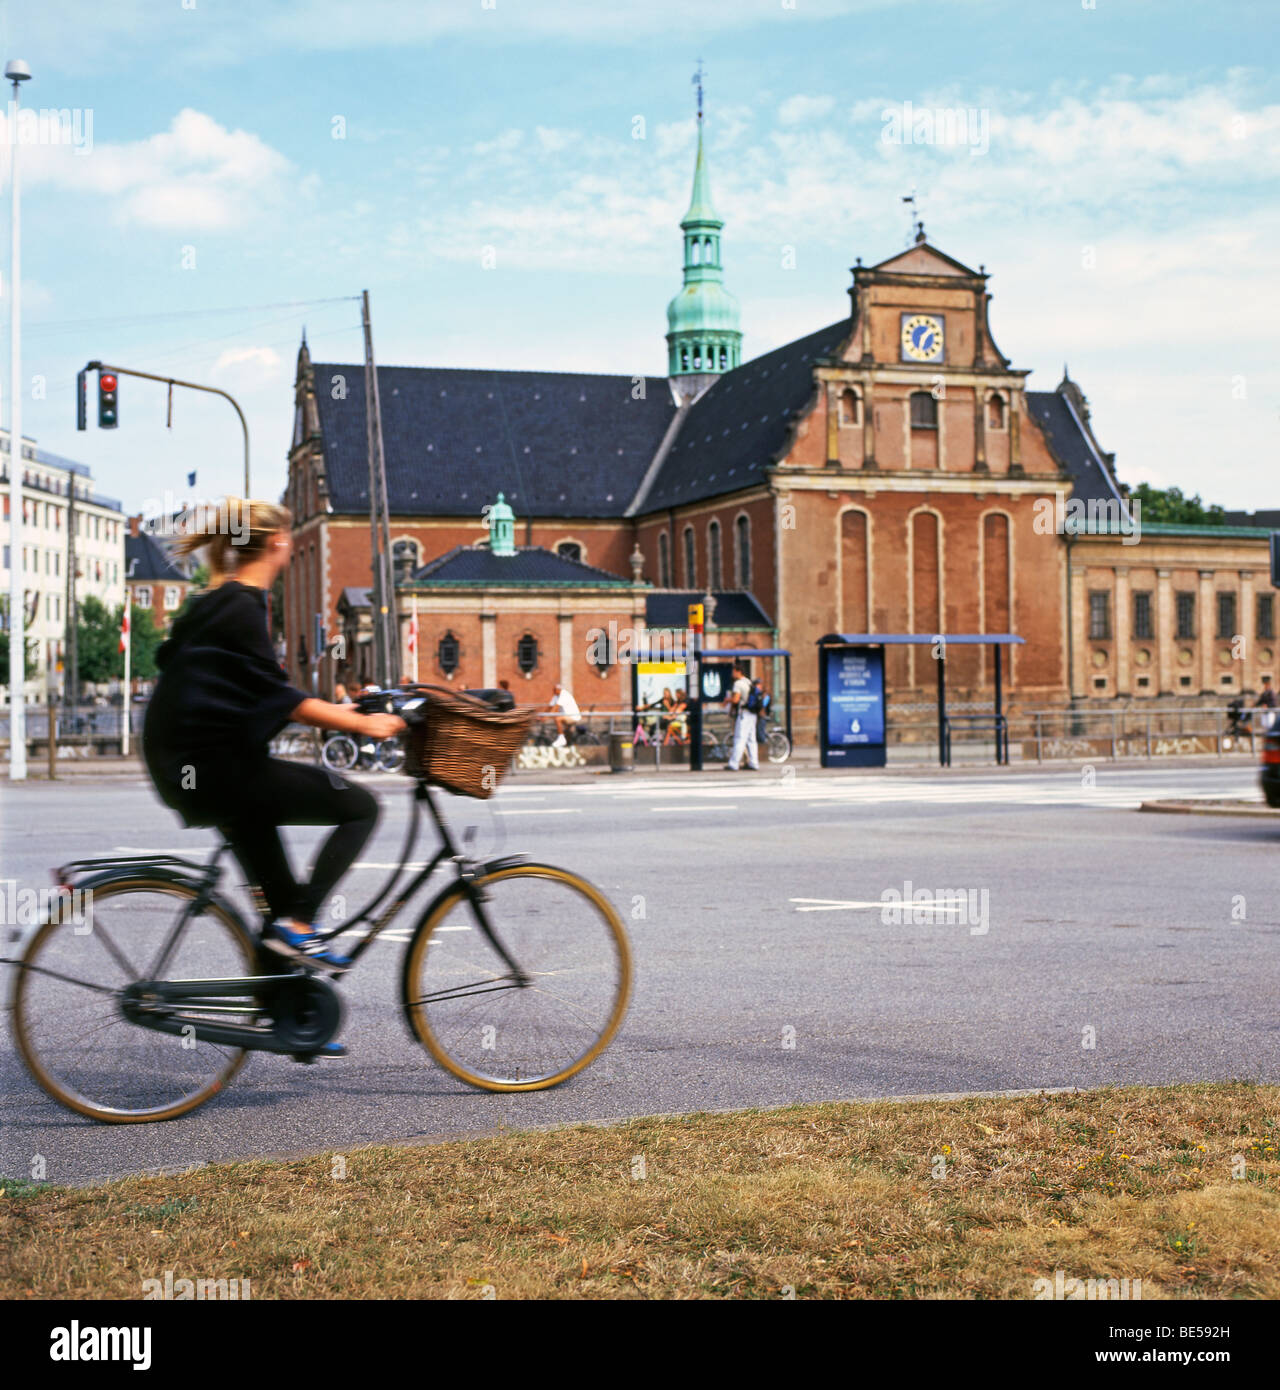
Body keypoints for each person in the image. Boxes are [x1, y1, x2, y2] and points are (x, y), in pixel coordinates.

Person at [143, 498, 406, 1009]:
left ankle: (286, 1011)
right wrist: (362, 723)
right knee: (360, 807)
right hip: (217, 769)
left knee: (279, 901)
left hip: (195, 767)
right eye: (287, 537)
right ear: (278, 544)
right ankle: (301, 927)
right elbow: (282, 699)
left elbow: (253, 689)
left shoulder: (219, 600)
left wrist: (350, 706)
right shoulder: (241, 607)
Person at [725, 661, 760, 771]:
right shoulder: (748, 682)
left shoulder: (738, 684)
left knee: (740, 738)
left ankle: (734, 764)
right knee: (751, 740)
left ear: (737, 671)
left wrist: (727, 700)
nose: (732, 674)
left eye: (733, 671)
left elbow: (735, 700)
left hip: (744, 714)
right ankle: (754, 763)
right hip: (752, 714)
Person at [549, 682, 581, 747]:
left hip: (573, 716)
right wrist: (543, 716)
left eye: (555, 690)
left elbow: (556, 707)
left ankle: (561, 738)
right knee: (567, 733)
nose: (553, 692)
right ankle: (567, 744)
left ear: (559, 689)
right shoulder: (556, 696)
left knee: (558, 719)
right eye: (553, 690)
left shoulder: (564, 694)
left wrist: (547, 716)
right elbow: (549, 707)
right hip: (567, 716)